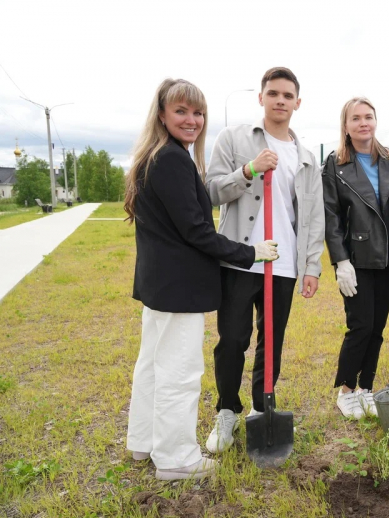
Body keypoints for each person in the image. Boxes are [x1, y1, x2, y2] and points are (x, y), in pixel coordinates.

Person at [124, 78, 278, 480]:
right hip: (180, 288)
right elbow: (197, 231)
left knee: (153, 366)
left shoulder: (156, 155)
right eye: (181, 111)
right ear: (161, 114)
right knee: (179, 372)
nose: (192, 120)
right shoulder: (173, 159)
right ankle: (176, 459)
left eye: (198, 113)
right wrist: (250, 252)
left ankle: (143, 443)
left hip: (160, 285)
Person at [204, 67, 324, 453]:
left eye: (288, 96)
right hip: (240, 258)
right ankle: (226, 410)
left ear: (297, 103)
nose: (280, 101)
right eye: (273, 93)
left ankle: (262, 408)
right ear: (261, 98)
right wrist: (248, 170)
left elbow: (313, 215)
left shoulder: (305, 157)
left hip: (284, 265)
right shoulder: (235, 138)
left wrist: (311, 266)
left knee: (271, 342)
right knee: (233, 340)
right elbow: (210, 191)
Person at [323, 97, 389, 419]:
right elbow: (331, 217)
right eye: (355, 118)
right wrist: (340, 261)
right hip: (356, 259)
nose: (363, 123)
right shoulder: (335, 164)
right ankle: (346, 391)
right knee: (360, 325)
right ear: (346, 126)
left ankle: (366, 389)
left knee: (378, 327)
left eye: (368, 117)